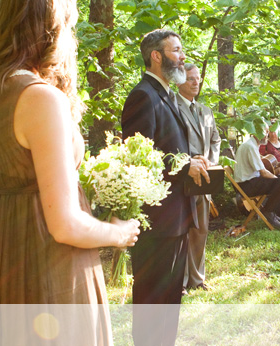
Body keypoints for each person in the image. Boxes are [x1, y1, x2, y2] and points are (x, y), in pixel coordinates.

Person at [0, 0, 140, 344]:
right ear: (47, 30)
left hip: (8, 259)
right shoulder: (39, 98)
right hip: (49, 270)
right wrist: (119, 234)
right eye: (67, 26)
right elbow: (64, 224)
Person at [121, 29, 210, 346]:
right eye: (176, 50)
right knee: (152, 303)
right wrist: (185, 166)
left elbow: (165, 148)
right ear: (156, 56)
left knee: (170, 301)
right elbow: (140, 159)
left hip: (176, 218)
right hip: (156, 222)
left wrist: (190, 158)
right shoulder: (143, 96)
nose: (183, 56)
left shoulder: (167, 95)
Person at [176, 63, 221, 293]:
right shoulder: (172, 107)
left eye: (198, 79)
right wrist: (189, 162)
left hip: (205, 177)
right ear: (179, 81)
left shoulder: (206, 111)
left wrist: (210, 161)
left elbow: (215, 139)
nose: (196, 83)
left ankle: (197, 278)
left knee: (201, 228)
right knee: (183, 229)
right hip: (183, 176)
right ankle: (180, 282)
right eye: (191, 79)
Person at [234, 132, 280, 230]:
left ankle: (273, 212)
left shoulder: (252, 145)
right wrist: (278, 180)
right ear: (255, 132)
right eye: (264, 132)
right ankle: (268, 211)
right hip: (247, 186)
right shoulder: (250, 147)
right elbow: (263, 173)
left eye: (266, 132)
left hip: (249, 182)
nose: (267, 135)